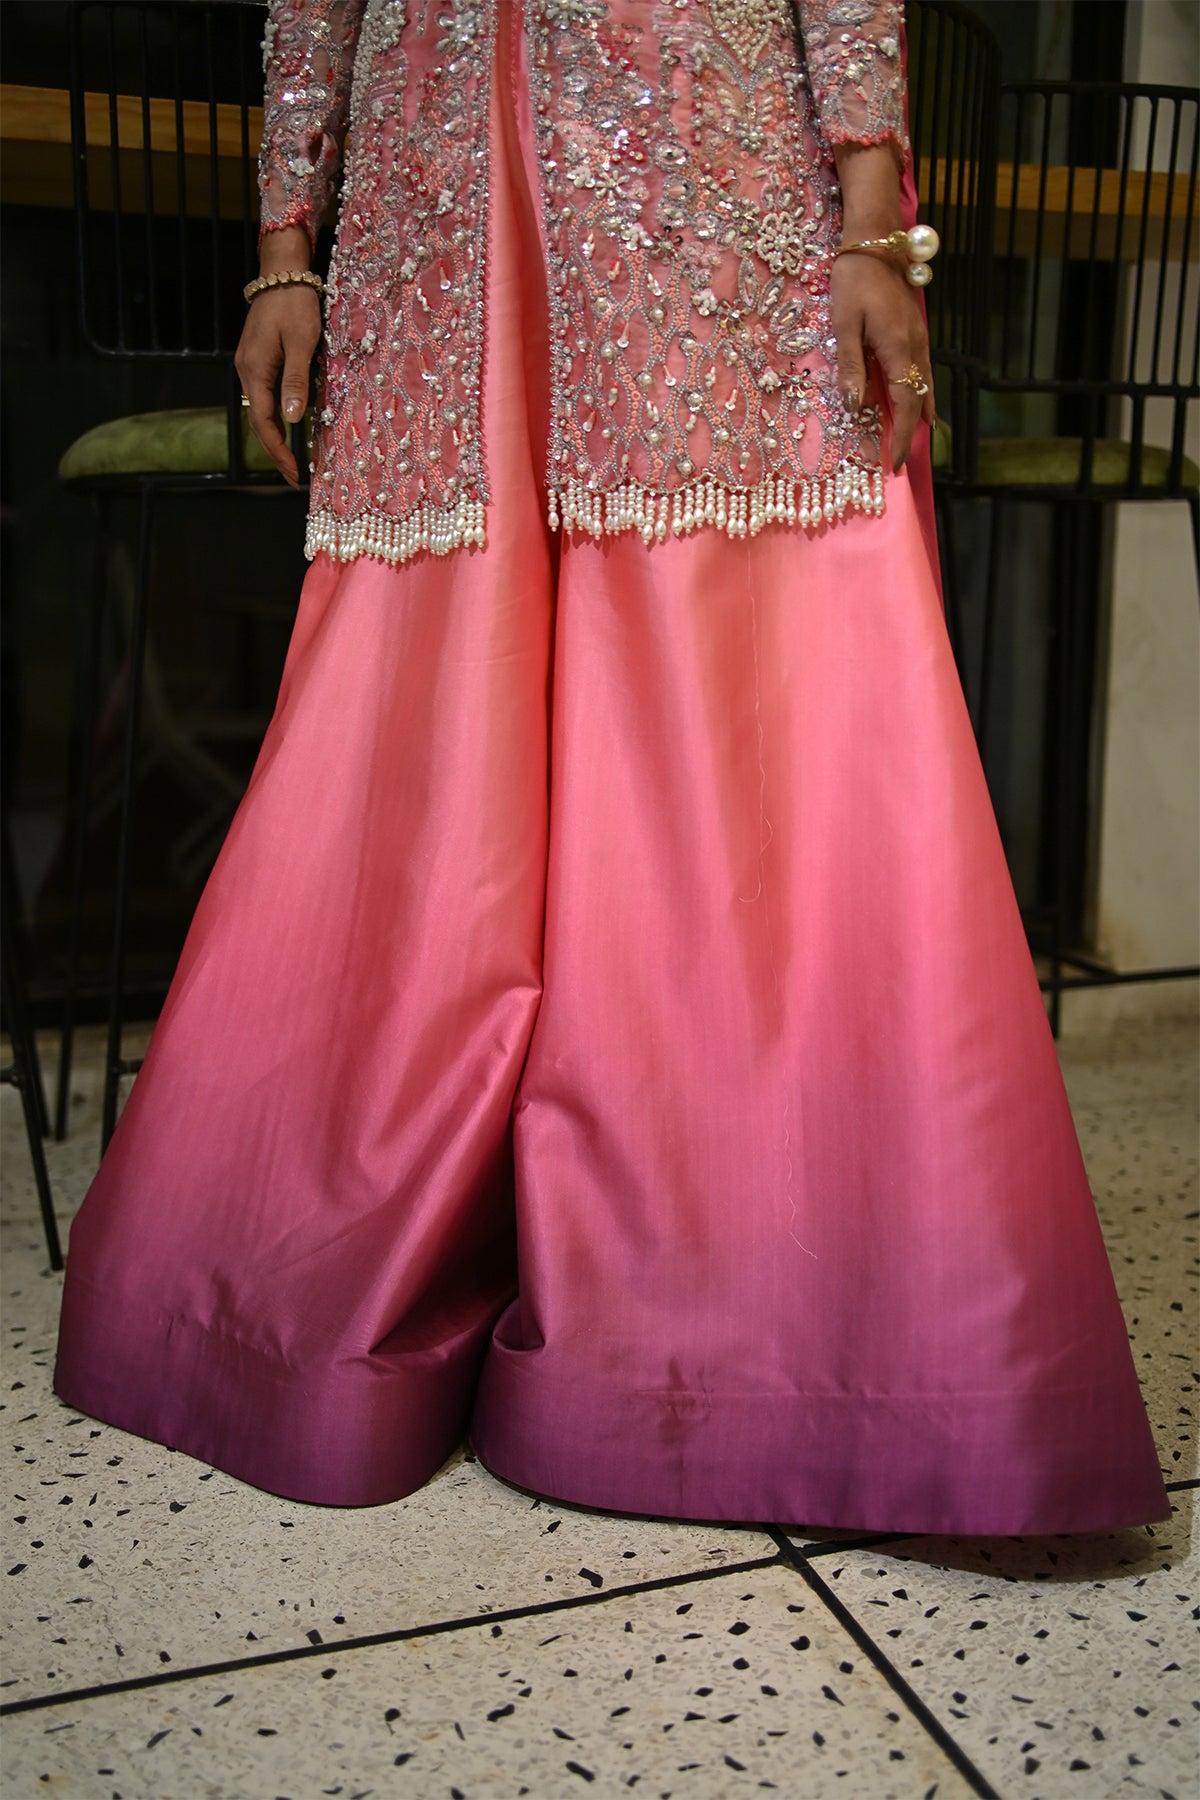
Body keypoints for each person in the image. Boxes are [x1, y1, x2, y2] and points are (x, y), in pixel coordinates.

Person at [55, 0, 1168, 1535]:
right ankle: (343, 1240)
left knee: (729, 712)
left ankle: (765, 1318)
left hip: (695, 158)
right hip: (442, 196)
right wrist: (286, 248)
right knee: (418, 728)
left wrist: (868, 217)